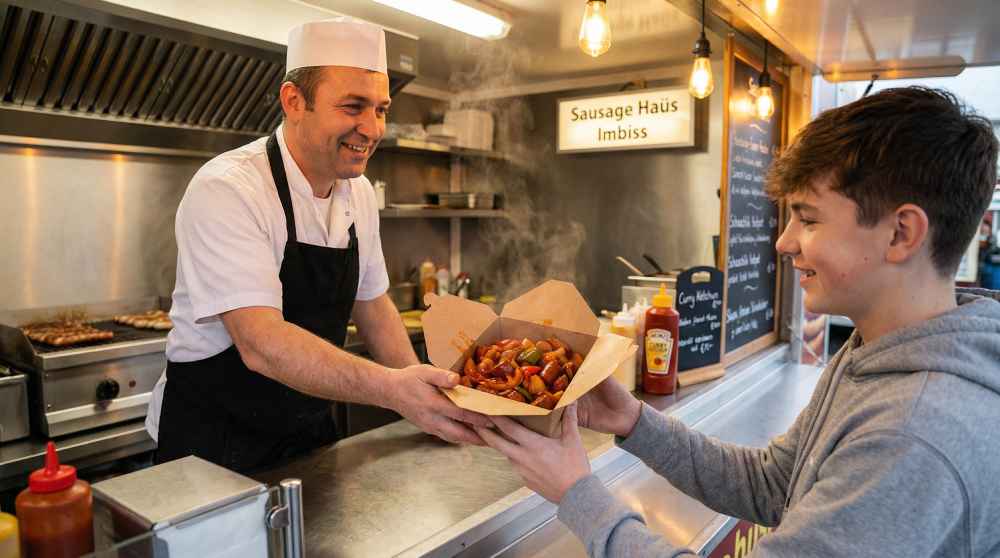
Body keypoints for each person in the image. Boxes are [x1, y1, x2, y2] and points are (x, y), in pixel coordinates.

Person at [477, 87, 1000, 556]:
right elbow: (774, 484)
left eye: (809, 218)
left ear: (901, 234)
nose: (784, 241)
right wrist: (633, 421)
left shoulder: (912, 435)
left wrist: (577, 494)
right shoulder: (875, 351)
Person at [146, 17, 487, 473]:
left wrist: (423, 396)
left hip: (307, 439)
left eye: (381, 109)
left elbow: (373, 305)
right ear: (294, 101)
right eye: (352, 107)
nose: (372, 128)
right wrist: (392, 389)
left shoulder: (358, 192)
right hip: (211, 450)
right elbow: (261, 343)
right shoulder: (229, 188)